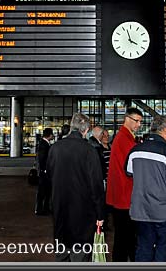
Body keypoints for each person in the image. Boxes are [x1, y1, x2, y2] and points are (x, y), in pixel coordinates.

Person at [125, 115, 166, 262]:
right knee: (164, 252)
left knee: (144, 248)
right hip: (165, 212)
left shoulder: (135, 150)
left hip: (140, 211)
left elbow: (128, 172)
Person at [47, 113, 104, 262]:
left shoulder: (55, 148)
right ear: (86, 130)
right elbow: (96, 185)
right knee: (81, 255)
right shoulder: (89, 150)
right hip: (83, 212)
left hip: (60, 208)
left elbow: (49, 177)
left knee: (62, 253)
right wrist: (100, 214)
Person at [106, 107, 144, 262]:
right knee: (125, 239)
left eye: (140, 121)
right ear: (127, 119)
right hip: (124, 196)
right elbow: (132, 168)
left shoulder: (124, 137)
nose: (139, 124)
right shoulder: (124, 139)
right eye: (137, 121)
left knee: (124, 238)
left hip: (122, 195)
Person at [35, 127, 53, 216]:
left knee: (46, 191)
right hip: (44, 172)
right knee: (43, 191)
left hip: (44, 171)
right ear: (50, 135)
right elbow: (42, 159)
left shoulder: (44, 143)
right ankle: (40, 209)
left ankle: (44, 208)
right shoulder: (44, 144)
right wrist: (45, 170)